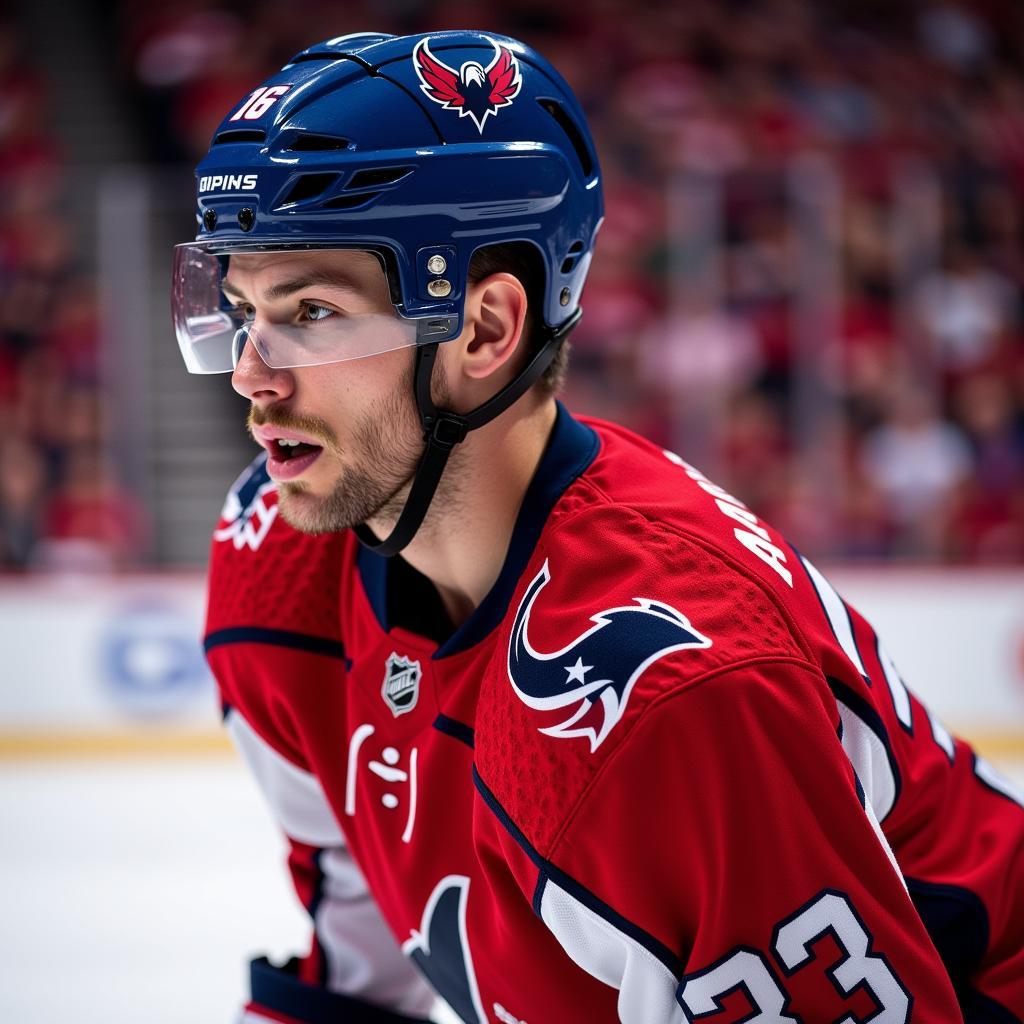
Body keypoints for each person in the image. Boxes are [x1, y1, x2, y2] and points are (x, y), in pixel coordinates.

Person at [172, 30, 1024, 1024]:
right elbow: (360, 974)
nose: (251, 374)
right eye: (242, 310)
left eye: (312, 312)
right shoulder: (277, 556)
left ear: (485, 329)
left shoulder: (665, 692)